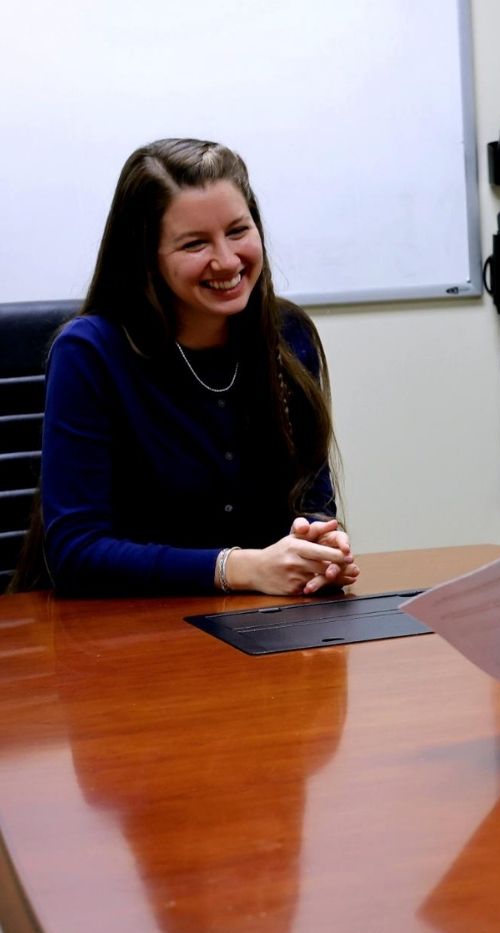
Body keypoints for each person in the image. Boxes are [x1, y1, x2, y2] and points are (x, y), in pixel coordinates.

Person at [29, 138, 359, 596]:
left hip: (263, 627)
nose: (226, 260)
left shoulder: (288, 335)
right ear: (146, 257)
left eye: (238, 231)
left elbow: (311, 503)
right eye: (194, 243)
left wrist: (319, 549)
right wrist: (239, 568)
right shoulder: (91, 351)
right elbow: (75, 554)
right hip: (122, 638)